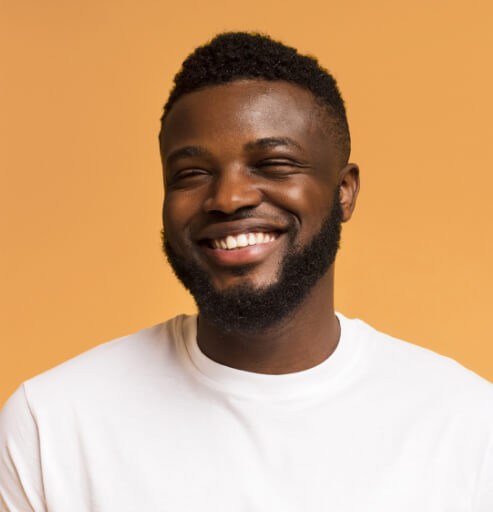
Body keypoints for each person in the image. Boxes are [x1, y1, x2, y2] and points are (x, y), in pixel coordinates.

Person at [1, 32, 492, 511]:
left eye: (273, 163)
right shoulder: (52, 426)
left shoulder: (467, 428)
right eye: (192, 174)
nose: (229, 197)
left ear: (344, 191)